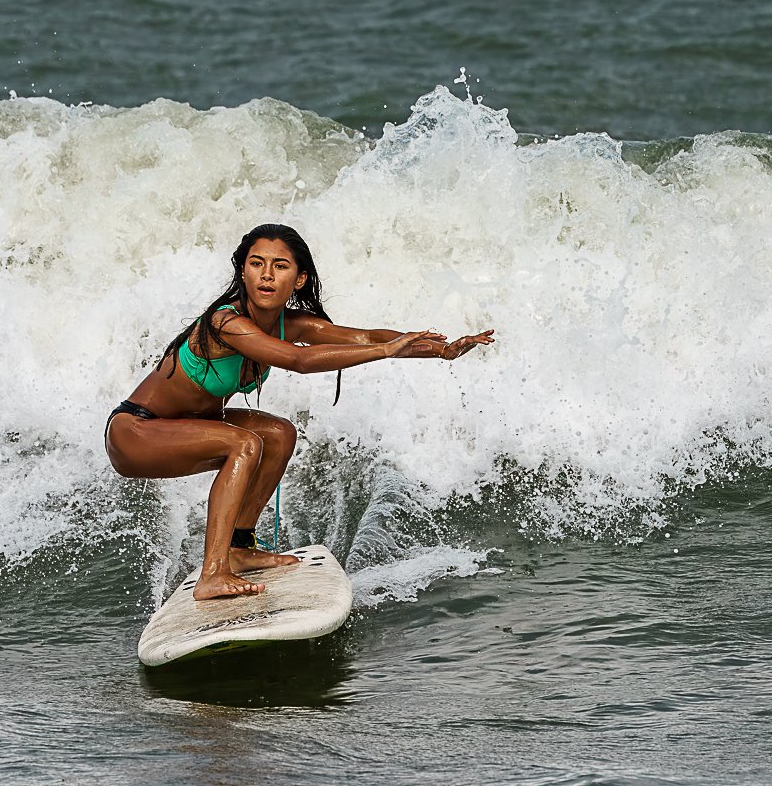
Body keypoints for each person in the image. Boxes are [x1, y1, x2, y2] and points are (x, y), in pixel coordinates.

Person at [105, 223, 493, 601]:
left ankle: (238, 547)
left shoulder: (289, 324)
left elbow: (364, 338)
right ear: (243, 271)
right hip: (136, 430)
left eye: (280, 266)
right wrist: (385, 352)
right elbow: (299, 360)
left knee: (278, 434)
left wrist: (439, 351)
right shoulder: (226, 322)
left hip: (190, 424)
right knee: (244, 444)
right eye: (256, 264)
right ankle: (213, 573)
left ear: (300, 278)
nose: (267, 275)